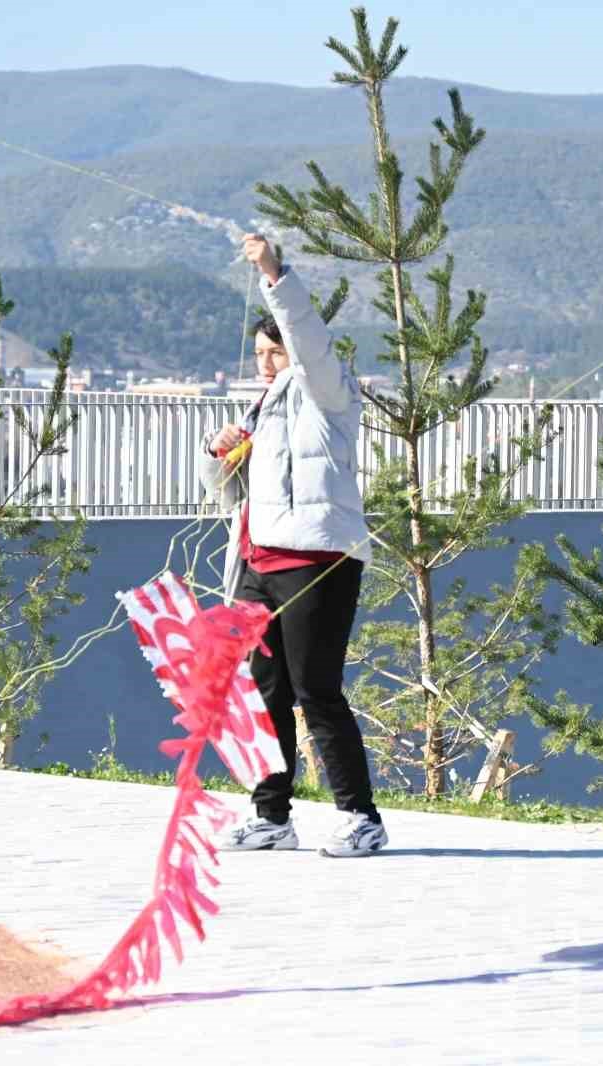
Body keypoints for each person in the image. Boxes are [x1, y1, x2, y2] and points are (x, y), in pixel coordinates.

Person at [200, 233, 386, 859]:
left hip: (316, 560)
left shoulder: (327, 393)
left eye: (272, 352)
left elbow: (306, 336)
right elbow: (232, 493)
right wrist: (217, 453)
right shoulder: (263, 409)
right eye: (258, 353)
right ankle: (271, 816)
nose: (265, 362)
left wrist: (272, 273)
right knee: (264, 690)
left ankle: (361, 817)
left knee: (317, 689)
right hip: (258, 558)